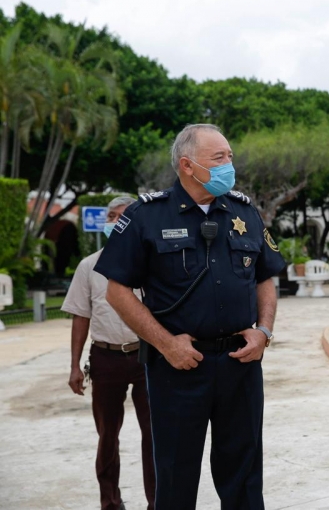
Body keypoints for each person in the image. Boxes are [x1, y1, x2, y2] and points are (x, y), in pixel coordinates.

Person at [95, 124, 286, 509]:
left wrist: (263, 330)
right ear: (187, 165)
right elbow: (117, 291)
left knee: (245, 474)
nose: (229, 165)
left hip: (240, 363)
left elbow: (265, 276)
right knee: (175, 474)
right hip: (178, 367)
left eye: (230, 156)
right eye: (219, 158)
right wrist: (166, 344)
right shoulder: (147, 215)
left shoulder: (244, 212)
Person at [62, 196, 155, 510]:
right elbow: (81, 316)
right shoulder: (90, 265)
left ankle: (157, 502)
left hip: (146, 357)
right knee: (107, 436)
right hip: (105, 359)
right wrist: (74, 366)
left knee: (154, 434)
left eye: (122, 216)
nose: (115, 222)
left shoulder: (152, 262)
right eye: (111, 216)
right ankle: (110, 502)